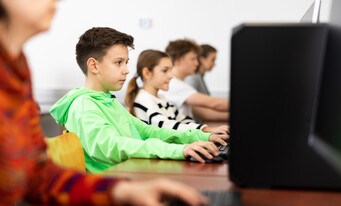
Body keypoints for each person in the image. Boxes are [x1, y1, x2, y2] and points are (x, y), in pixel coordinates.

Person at [0, 1, 209, 206]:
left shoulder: (16, 68)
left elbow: (37, 174)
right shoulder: (82, 104)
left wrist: (122, 191)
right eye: (119, 63)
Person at [50, 27, 228, 173]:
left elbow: (149, 131)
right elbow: (113, 146)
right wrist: (178, 150)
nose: (127, 70)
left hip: (131, 176)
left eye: (126, 62)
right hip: (114, 187)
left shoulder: (108, 101)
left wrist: (202, 136)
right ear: (94, 65)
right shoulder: (84, 106)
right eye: (119, 62)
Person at [125, 49, 229, 135]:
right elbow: (165, 125)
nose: (171, 75)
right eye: (165, 70)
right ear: (147, 73)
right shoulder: (143, 98)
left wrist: (206, 131)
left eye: (171, 70)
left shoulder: (161, 98)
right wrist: (206, 130)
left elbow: (183, 120)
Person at [160, 39, 229, 122]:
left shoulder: (178, 83)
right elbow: (214, 103)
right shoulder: (175, 85)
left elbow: (205, 113)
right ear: (178, 60)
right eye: (192, 59)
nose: (197, 63)